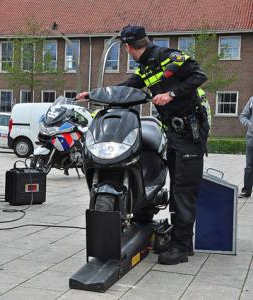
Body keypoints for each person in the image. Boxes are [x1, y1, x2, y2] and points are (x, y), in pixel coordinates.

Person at [77, 25, 209, 265]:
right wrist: (94, 95)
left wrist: (172, 94)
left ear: (127, 47)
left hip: (190, 133)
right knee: (177, 185)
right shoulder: (146, 68)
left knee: (184, 190)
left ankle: (181, 247)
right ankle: (174, 235)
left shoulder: (169, 57)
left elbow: (199, 75)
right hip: (174, 131)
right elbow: (128, 86)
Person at [239, 96, 253, 198]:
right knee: (249, 166)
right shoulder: (252, 100)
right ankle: (246, 191)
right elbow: (243, 116)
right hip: (251, 138)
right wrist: (250, 125)